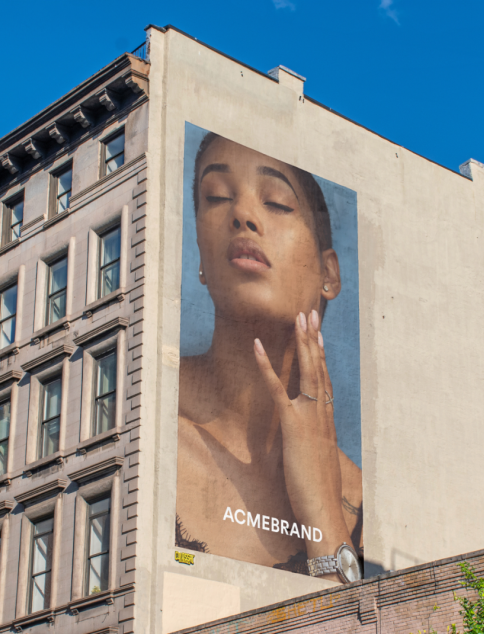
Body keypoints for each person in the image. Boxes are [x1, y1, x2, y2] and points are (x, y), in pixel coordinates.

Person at [176, 132, 363, 583]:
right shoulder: (143, 419)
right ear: (200, 254)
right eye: (217, 198)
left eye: (277, 202)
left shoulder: (356, 491)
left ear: (329, 274)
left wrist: (322, 513)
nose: (243, 215)